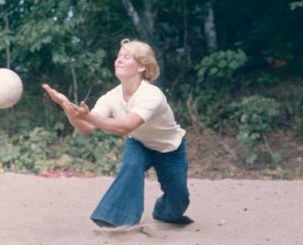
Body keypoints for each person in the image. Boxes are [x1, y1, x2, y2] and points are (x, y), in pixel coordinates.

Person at [43, 39, 193, 228]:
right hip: (139, 143)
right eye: (118, 56)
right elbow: (87, 128)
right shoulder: (111, 97)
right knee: (131, 166)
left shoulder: (152, 95)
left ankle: (163, 211)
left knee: (178, 199)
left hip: (170, 149)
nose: (118, 60)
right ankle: (116, 221)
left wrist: (88, 117)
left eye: (126, 57)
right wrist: (65, 105)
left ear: (141, 67)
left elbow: (125, 127)